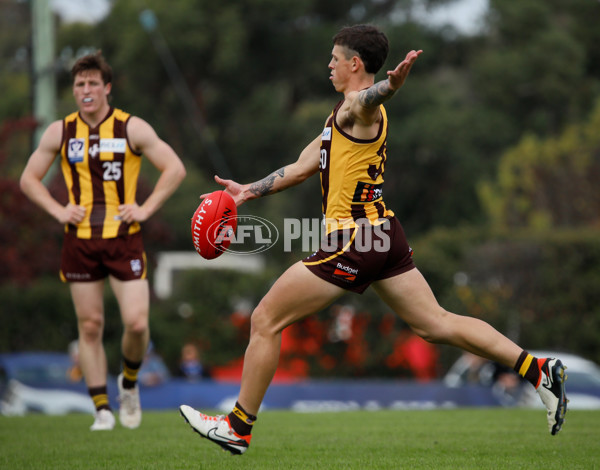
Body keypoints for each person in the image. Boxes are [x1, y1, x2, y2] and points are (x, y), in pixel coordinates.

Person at [178, 25, 567, 454]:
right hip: (383, 233)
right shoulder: (337, 118)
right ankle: (539, 370)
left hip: (355, 240)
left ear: (354, 64)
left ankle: (238, 427)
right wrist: (248, 190)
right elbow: (304, 165)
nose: (328, 65)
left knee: (264, 319)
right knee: (435, 324)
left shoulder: (358, 108)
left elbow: (369, 99)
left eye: (334, 58)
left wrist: (391, 85)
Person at [20, 51, 186, 431]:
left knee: (137, 323)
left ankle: (128, 383)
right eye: (80, 84)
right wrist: (58, 210)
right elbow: (29, 179)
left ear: (107, 88)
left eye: (93, 82)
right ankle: (101, 409)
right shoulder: (59, 131)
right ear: (74, 92)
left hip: (123, 240)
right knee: (90, 325)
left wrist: (145, 209)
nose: (86, 89)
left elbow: (175, 168)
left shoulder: (131, 128)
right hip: (79, 241)